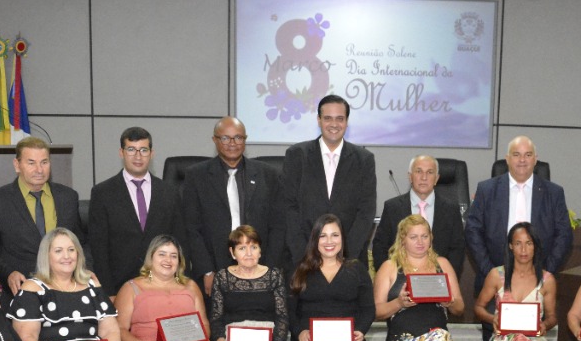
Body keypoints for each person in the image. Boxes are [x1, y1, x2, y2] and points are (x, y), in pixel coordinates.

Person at [0, 136, 83, 304]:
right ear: (17, 165)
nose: (39, 169)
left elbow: (82, 242)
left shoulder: (68, 197)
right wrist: (8, 273)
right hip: (21, 295)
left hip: (66, 293)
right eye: (31, 163)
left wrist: (86, 271)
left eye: (44, 162)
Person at [185, 116, 284, 296]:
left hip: (258, 262)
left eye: (238, 137)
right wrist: (206, 270)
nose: (232, 143)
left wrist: (267, 268)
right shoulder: (196, 176)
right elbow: (192, 228)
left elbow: (278, 226)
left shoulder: (267, 174)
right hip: (215, 265)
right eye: (225, 138)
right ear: (214, 140)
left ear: (245, 140)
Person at [465, 136, 571, 296]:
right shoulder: (486, 190)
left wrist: (544, 273)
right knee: (492, 321)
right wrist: (491, 273)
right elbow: (473, 232)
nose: (522, 160)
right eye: (516, 154)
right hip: (493, 281)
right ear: (507, 159)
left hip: (538, 284)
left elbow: (564, 235)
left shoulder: (554, 193)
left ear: (536, 159)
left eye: (528, 155)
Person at [281, 95, 377, 271]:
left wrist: (345, 257)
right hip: (303, 261)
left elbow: (366, 211)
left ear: (347, 122)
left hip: (349, 261)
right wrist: (305, 256)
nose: (334, 124)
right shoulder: (297, 155)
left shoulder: (364, 160)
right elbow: (289, 207)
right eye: (328, 118)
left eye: (340, 119)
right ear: (318, 120)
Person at [87, 126, 186, 298]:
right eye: (131, 149)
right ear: (121, 152)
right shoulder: (102, 193)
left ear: (152, 153)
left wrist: (180, 283)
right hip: (118, 287)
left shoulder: (169, 192)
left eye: (143, 150)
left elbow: (180, 241)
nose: (138, 156)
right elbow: (99, 249)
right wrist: (108, 292)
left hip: (163, 285)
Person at [372, 155, 466, 274]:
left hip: (440, 282)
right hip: (400, 282)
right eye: (418, 171)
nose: (424, 177)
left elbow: (457, 250)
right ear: (410, 176)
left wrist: (445, 279)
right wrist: (392, 281)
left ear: (436, 178)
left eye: (430, 172)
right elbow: (380, 247)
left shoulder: (450, 209)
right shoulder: (392, 207)